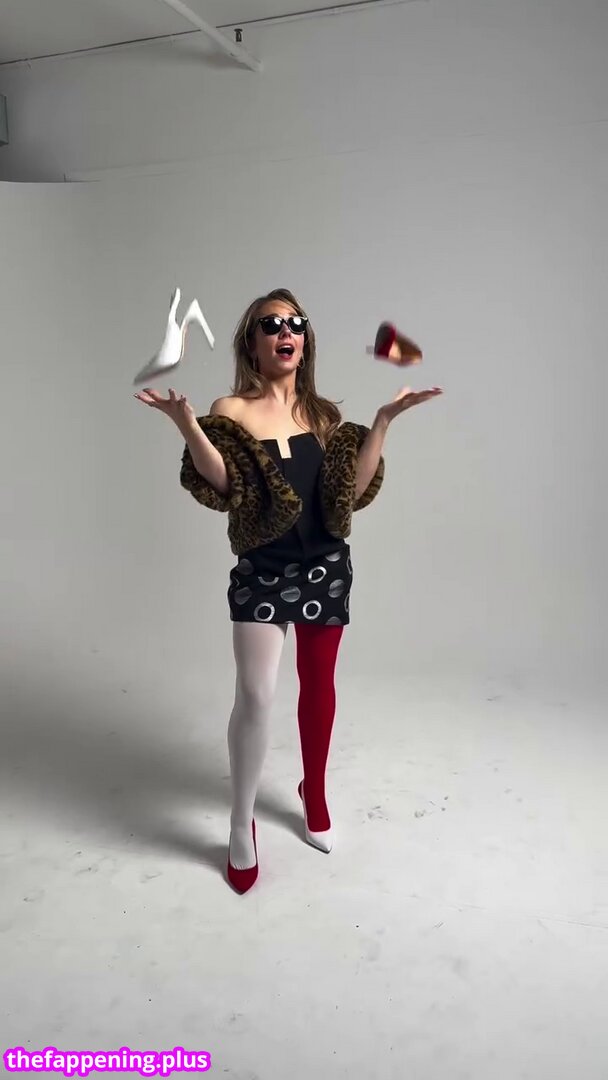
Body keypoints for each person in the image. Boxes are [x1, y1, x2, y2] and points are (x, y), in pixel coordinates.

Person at [135, 288, 442, 893]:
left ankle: (314, 793)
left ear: (305, 342)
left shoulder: (323, 415)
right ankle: (240, 821)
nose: (286, 331)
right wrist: (188, 425)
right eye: (271, 323)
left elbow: (352, 494)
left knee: (319, 685)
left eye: (296, 323)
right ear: (252, 342)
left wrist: (382, 421)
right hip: (263, 568)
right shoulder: (232, 409)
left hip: (325, 567)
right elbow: (224, 484)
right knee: (256, 695)